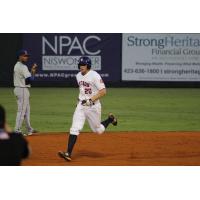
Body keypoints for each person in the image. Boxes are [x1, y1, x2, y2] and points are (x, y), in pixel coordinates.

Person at [58, 56, 117, 161]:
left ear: (88, 65)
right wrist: (78, 102)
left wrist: (91, 100)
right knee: (74, 128)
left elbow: (103, 91)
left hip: (93, 107)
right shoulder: (78, 76)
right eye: (80, 65)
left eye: (83, 65)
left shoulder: (94, 75)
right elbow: (82, 91)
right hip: (81, 105)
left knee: (98, 130)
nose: (81, 66)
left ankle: (110, 119)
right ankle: (68, 153)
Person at [13, 49, 38, 136]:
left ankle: (29, 129)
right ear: (20, 56)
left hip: (21, 89)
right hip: (22, 89)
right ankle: (17, 130)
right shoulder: (22, 67)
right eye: (24, 56)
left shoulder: (18, 65)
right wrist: (33, 72)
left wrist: (31, 72)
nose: (26, 57)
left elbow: (27, 80)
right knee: (22, 111)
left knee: (26, 111)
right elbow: (30, 80)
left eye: (27, 56)